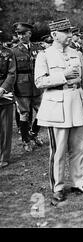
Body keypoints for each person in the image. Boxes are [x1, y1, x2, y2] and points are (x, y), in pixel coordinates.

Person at [34, 18, 83, 202]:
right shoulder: (44, 55)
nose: (70, 35)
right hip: (56, 107)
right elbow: (39, 82)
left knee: (78, 148)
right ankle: (58, 187)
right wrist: (63, 76)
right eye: (66, 32)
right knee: (58, 150)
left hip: (76, 103)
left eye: (70, 31)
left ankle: (78, 183)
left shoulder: (76, 53)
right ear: (54, 35)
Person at [12, 22, 44, 151]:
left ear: (29, 34)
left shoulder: (38, 48)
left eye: (23, 33)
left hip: (36, 85)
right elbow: (12, 71)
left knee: (42, 111)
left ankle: (34, 134)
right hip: (22, 86)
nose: (20, 36)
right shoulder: (13, 51)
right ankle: (26, 141)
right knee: (24, 114)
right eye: (18, 34)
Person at [0, 30, 16, 168]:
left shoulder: (8, 53)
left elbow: (11, 73)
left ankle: (4, 156)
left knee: (5, 128)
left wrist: (2, 89)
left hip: (5, 95)